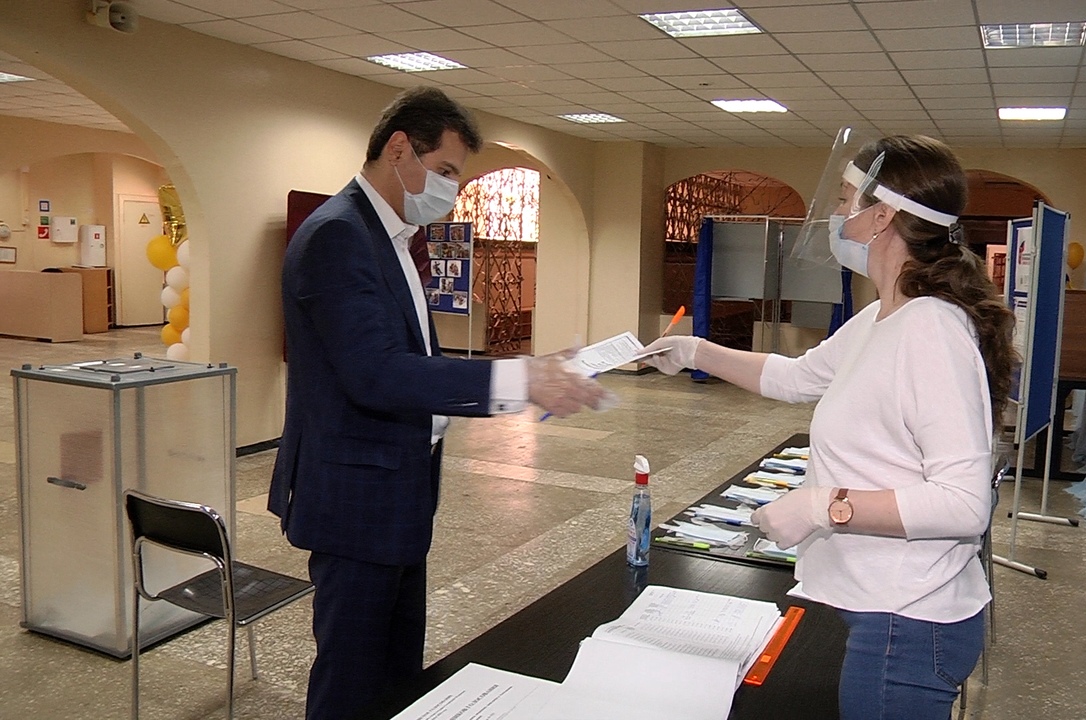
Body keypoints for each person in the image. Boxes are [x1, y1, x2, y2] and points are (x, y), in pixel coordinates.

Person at [643, 134, 1016, 720]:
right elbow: (797, 377)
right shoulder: (882, 316)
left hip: (908, 622)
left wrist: (824, 506)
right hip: (882, 606)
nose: (837, 215)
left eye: (845, 200)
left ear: (882, 216)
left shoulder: (930, 330)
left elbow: (963, 504)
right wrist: (695, 351)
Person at [268, 87, 606, 720]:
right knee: (350, 681)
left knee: (397, 675)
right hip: (356, 499)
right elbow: (375, 374)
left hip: (400, 488)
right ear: (399, 149)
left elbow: (414, 355)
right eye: (446, 170)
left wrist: (524, 373)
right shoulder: (339, 235)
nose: (451, 189)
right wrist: (516, 381)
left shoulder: (392, 236)